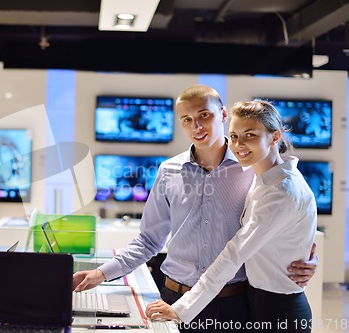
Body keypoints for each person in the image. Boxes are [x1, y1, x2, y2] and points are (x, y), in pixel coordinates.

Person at [73, 85, 317, 332]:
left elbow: (271, 227)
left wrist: (303, 257)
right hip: (173, 296)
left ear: (223, 114)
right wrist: (101, 274)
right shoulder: (168, 171)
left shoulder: (252, 170)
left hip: (233, 303)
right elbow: (148, 241)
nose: (196, 127)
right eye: (187, 119)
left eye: (204, 115)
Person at [145, 100, 317, 332]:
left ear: (275, 137)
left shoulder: (281, 192)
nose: (238, 145)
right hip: (255, 300)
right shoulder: (263, 175)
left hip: (279, 311)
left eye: (250, 135)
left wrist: (181, 309)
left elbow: (234, 254)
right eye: (234, 136)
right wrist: (308, 254)